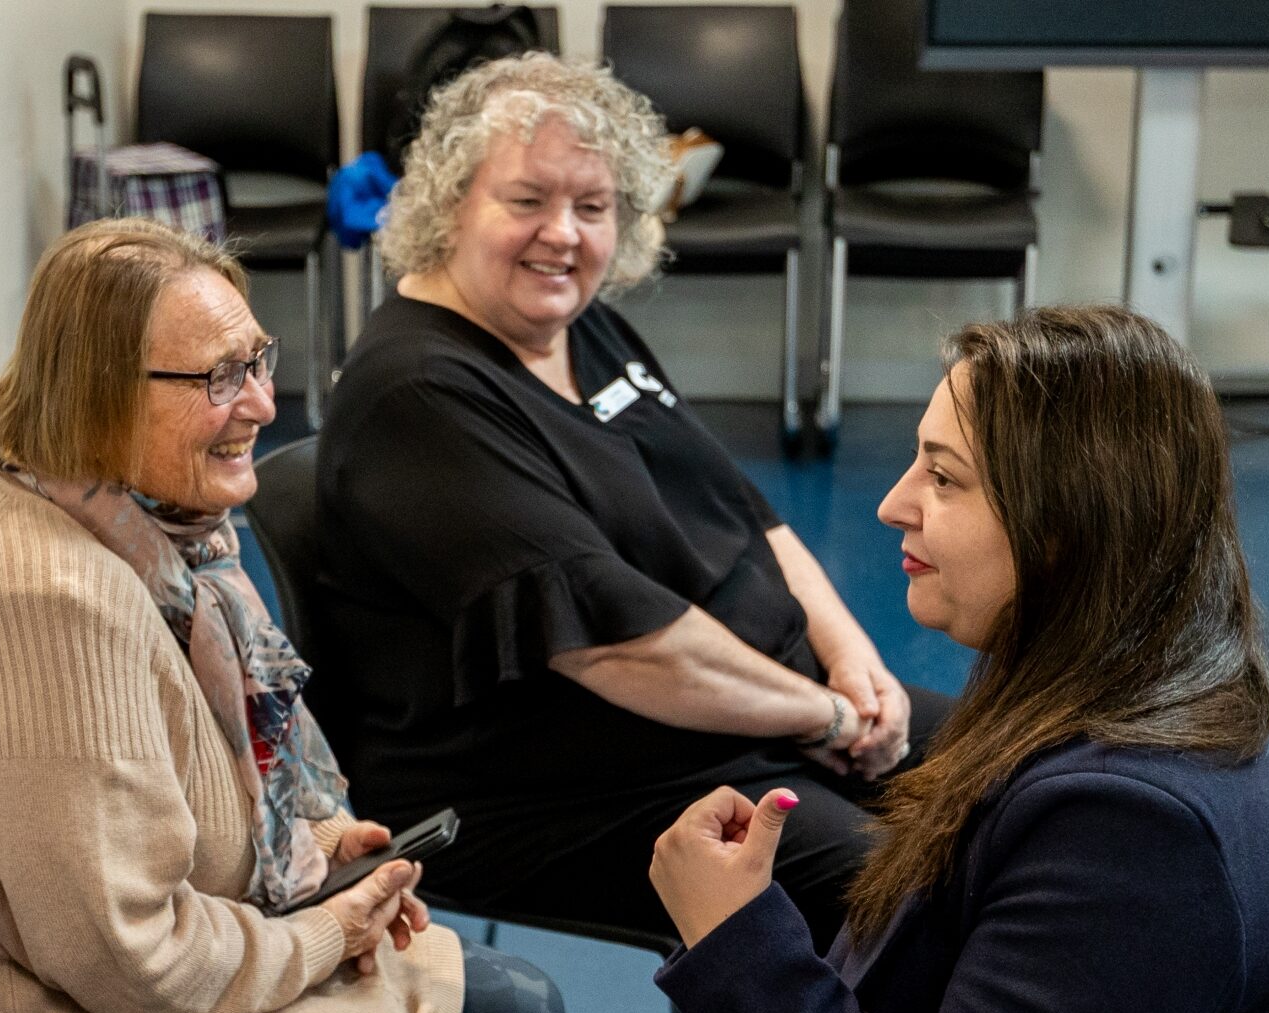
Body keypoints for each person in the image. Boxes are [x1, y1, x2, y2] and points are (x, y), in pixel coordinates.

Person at [0, 218, 560, 1013]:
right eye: (219, 377)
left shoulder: (119, 503)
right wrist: (325, 931)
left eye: (256, 361)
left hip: (193, 941)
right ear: (101, 393)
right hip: (72, 1001)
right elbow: (133, 961)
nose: (263, 402)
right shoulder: (49, 599)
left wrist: (318, 848)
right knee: (519, 1002)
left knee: (511, 993)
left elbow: (184, 775)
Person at [311, 51, 947, 948]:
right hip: (563, 780)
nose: (562, 234)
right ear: (450, 205)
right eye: (526, 200)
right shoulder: (416, 392)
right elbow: (615, 644)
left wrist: (853, 662)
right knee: (904, 893)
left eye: (593, 206)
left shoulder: (579, 324)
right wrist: (829, 716)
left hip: (734, 713)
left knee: (1022, 762)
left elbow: (742, 509)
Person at [646, 306, 1269, 1013]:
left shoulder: (1133, 829)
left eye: (944, 478)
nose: (893, 505)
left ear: (1063, 525)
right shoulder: (1075, 694)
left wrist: (735, 941)